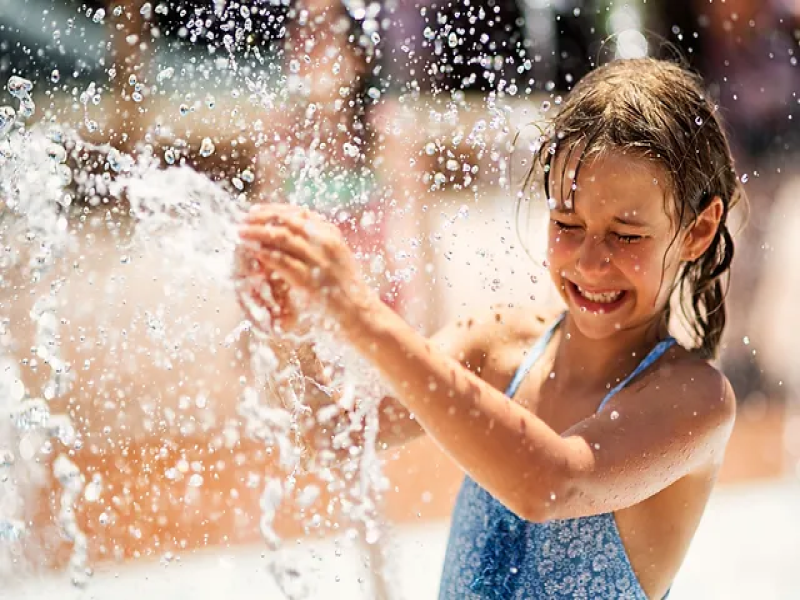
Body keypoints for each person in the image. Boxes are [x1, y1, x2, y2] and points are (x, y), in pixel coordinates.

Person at [236, 57, 739, 599]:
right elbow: (336, 437)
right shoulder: (494, 346)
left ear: (697, 230)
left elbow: (550, 484)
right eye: (567, 225)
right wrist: (289, 333)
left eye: (627, 235)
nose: (591, 263)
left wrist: (360, 314)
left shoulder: (693, 399)